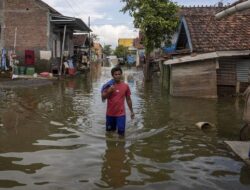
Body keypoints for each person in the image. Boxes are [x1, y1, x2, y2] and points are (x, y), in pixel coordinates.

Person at [101, 67, 134, 136]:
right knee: (109, 133)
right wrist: (109, 91)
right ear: (112, 75)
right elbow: (103, 98)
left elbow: (128, 99)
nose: (118, 76)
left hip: (121, 115)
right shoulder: (108, 86)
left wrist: (132, 111)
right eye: (115, 74)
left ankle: (121, 146)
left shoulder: (125, 86)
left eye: (119, 74)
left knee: (121, 134)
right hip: (110, 114)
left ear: (121, 75)